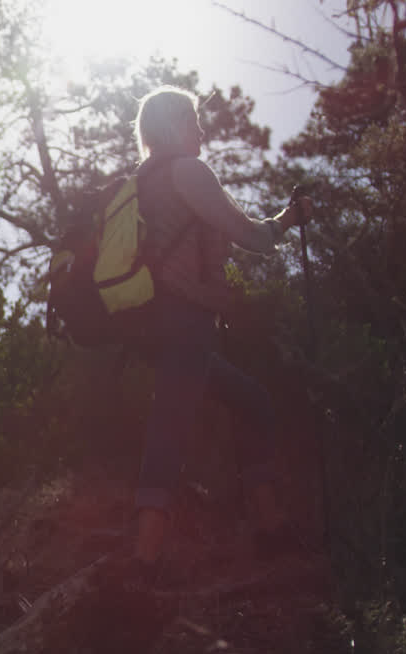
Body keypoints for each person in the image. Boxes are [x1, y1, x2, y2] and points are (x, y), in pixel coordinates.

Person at [127, 87, 313, 572]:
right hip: (184, 319)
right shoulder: (187, 171)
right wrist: (288, 219)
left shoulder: (142, 181)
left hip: (153, 323)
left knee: (250, 400)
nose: (201, 130)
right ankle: (144, 560)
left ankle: (269, 527)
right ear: (175, 125)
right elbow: (249, 234)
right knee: (171, 424)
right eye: (194, 120)